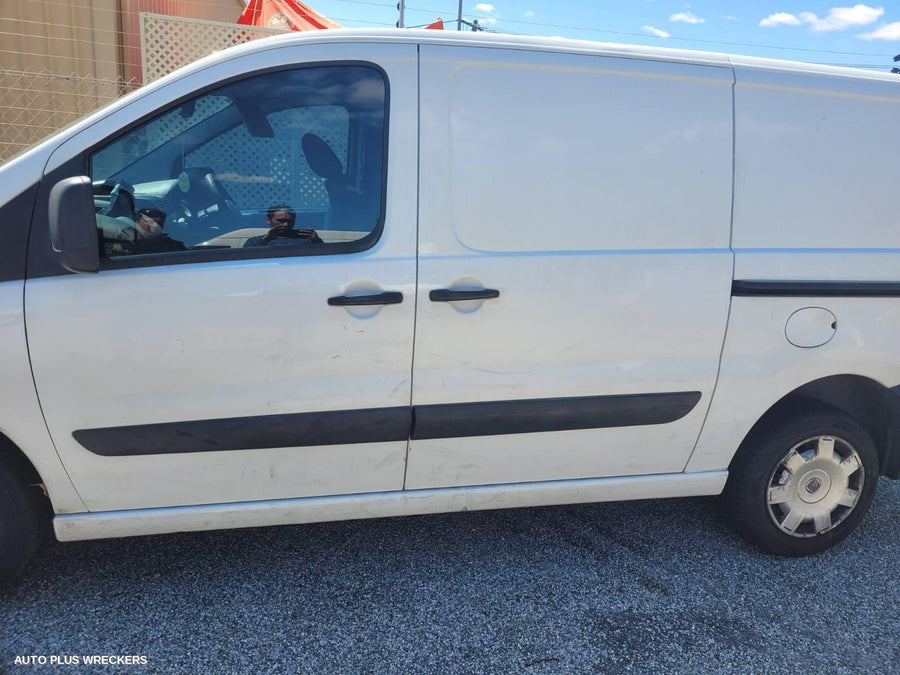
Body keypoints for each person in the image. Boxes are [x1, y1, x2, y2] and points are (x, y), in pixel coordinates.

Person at [243, 205, 323, 247]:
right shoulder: (253, 242)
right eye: (281, 221)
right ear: (268, 220)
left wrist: (317, 240)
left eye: (289, 221)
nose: (286, 224)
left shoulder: (305, 239)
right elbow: (245, 260)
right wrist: (266, 239)